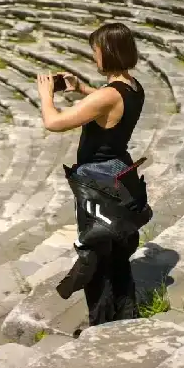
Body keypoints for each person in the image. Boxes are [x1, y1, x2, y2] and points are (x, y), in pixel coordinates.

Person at [36, 22, 148, 329]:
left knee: (95, 257)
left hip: (98, 182)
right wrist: (83, 89)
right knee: (116, 254)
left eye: (95, 51)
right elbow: (110, 102)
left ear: (108, 52)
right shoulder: (133, 86)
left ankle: (102, 326)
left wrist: (46, 94)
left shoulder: (108, 96)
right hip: (119, 174)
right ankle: (126, 316)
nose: (94, 57)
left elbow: (54, 122)